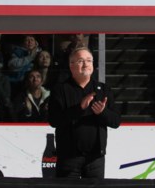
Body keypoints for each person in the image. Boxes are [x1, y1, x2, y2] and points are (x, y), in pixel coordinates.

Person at [47, 47, 121, 178]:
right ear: (71, 65)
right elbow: (54, 120)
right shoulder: (60, 89)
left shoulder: (103, 90)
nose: (86, 64)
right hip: (68, 158)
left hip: (95, 158)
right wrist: (79, 108)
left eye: (89, 60)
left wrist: (102, 112)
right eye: (81, 61)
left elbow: (116, 122)